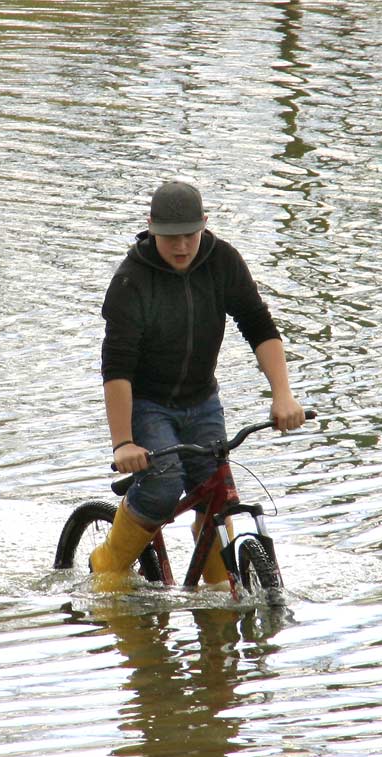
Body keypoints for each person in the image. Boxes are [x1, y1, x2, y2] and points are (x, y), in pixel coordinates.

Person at [91, 180, 307, 589]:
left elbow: (258, 326)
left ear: (204, 225)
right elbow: (116, 368)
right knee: (163, 485)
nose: (182, 246)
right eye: (170, 236)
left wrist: (283, 396)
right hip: (147, 402)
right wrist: (123, 442)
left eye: (190, 234)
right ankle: (107, 568)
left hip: (202, 399)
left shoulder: (222, 260)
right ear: (151, 227)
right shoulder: (131, 281)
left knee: (217, 493)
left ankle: (218, 591)